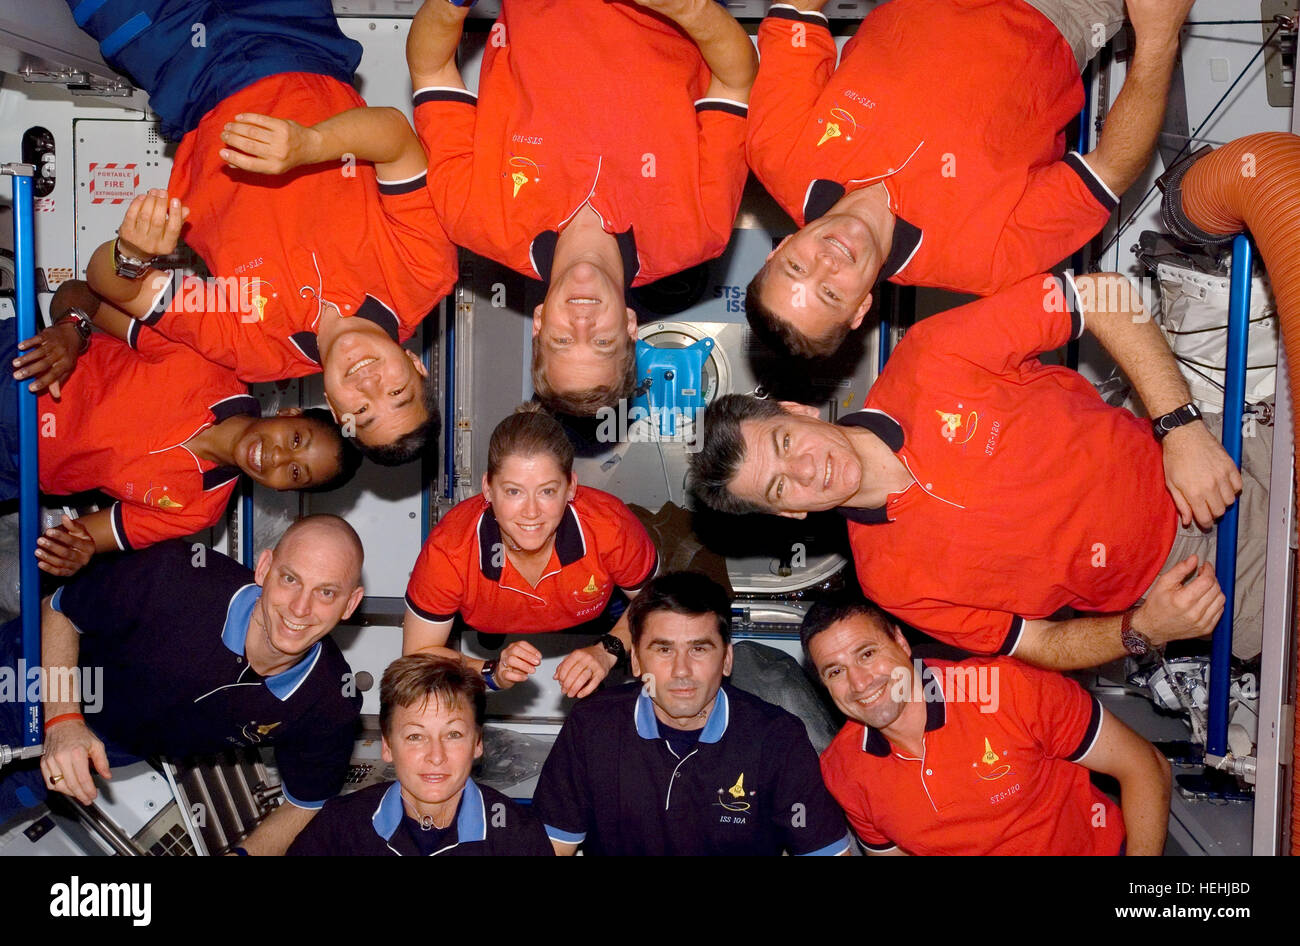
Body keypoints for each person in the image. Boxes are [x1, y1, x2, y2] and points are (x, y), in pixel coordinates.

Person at [691, 272, 1249, 669]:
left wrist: (1180, 428)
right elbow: (1039, 644)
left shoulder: (931, 357)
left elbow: (1101, 295)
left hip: (1210, 460)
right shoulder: (891, 583)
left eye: (786, 442)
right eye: (781, 485)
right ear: (789, 510)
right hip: (1193, 586)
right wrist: (1143, 630)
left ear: (796, 411)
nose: (808, 469)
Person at [68, 0, 457, 463]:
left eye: (362, 410)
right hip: (294, 33)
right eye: (397, 392)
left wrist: (130, 253)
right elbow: (396, 138)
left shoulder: (255, 348)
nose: (369, 384)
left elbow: (107, 283)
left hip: (178, 65)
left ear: (333, 408)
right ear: (417, 367)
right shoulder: (424, 273)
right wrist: (309, 145)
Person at [744, 0, 1193, 358]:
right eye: (829, 293)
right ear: (861, 309)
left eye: (796, 267)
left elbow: (795, 17)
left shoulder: (776, 154)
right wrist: (1157, 41)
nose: (826, 261)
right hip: (1059, 11)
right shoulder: (983, 262)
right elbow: (1109, 171)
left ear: (779, 250)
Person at [406, 0, 756, 414]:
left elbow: (431, 70)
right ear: (630, 327)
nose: (582, 322)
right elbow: (737, 79)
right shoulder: (699, 232)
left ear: (539, 324)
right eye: (603, 342)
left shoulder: (473, 219)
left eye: (563, 340)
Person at [0, 516, 366, 855]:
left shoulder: (329, 704)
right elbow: (60, 609)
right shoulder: (178, 575)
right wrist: (62, 719)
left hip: (95, 750)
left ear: (350, 604)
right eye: (290, 579)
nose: (301, 608)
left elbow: (307, 802)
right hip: (29, 675)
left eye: (326, 593)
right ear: (265, 568)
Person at [4, 280, 358, 577]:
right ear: (290, 413)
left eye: (296, 472)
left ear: (284, 491)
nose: (279, 456)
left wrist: (76, 552)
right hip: (17, 372)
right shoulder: (211, 360)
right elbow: (83, 293)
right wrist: (70, 328)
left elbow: (87, 536)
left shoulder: (198, 510)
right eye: (296, 439)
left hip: (11, 469)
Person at [802, 598, 1171, 855]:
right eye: (835, 671)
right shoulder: (844, 770)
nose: (860, 682)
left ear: (900, 641)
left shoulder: (1011, 689)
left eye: (867, 653)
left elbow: (1146, 766)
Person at [532, 571, 851, 856]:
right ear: (637, 662)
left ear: (727, 659)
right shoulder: (592, 728)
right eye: (663, 649)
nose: (681, 670)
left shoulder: (778, 739)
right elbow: (553, 848)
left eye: (699, 649)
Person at [404, 404, 658, 699]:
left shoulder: (609, 525)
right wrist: (491, 671)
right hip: (488, 616)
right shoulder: (450, 548)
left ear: (571, 488)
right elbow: (417, 656)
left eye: (547, 491)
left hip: (599, 612)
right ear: (487, 489)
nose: (531, 512)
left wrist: (609, 649)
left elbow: (657, 603)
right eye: (513, 491)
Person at [287, 654, 552, 856]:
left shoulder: (518, 837)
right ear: (388, 746)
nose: (436, 756)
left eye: (453, 735)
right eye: (416, 736)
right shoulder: (339, 828)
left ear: (478, 743)